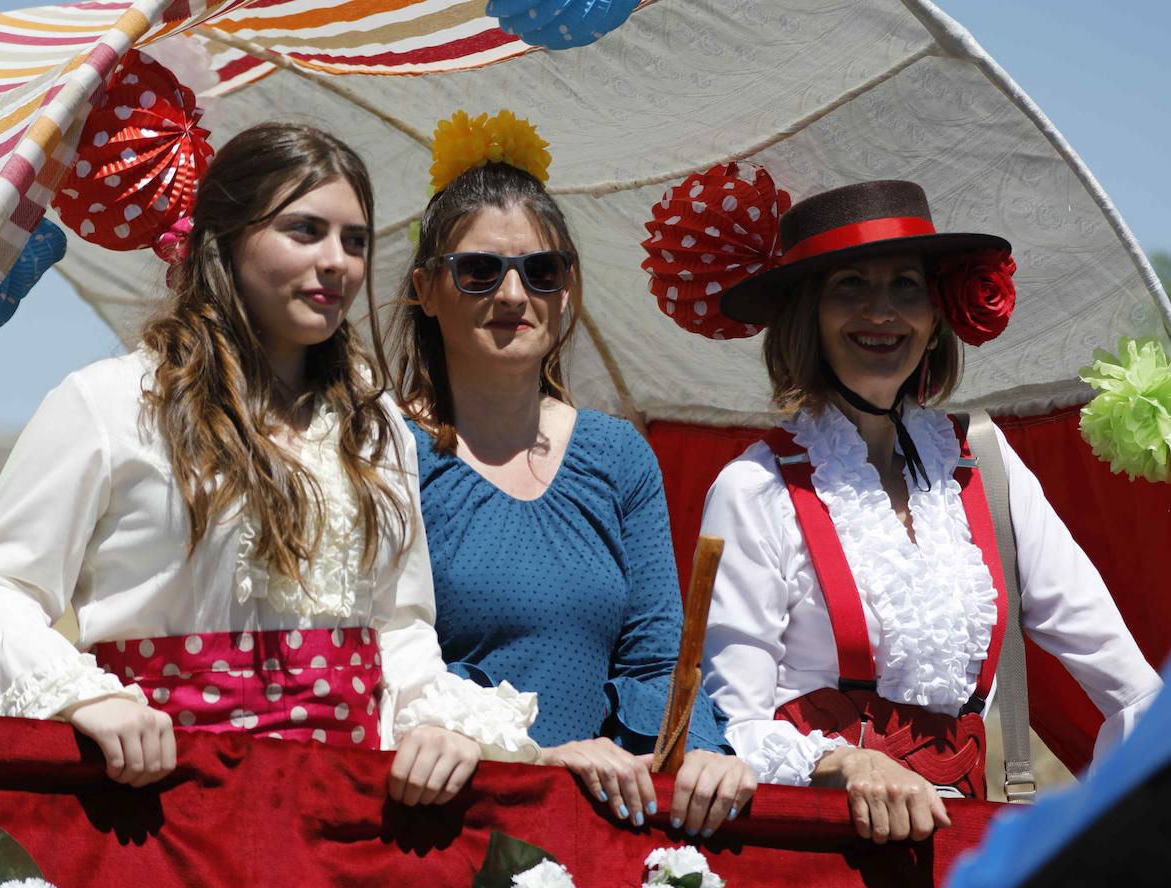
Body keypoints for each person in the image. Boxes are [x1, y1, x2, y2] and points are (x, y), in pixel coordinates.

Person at [0, 123, 538, 805]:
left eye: (355, 240)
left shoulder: (373, 426)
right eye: (304, 230)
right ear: (224, 240)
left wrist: (436, 724)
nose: (337, 261)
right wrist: (83, 698)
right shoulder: (111, 404)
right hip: (162, 801)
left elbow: (398, 626)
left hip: (340, 808)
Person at [698, 179, 1161, 843]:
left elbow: (1133, 690)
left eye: (906, 287)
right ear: (807, 316)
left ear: (936, 314)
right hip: (812, 859)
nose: (882, 312)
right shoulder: (755, 488)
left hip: (959, 855)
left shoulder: (985, 465)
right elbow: (729, 727)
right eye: (850, 285)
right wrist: (844, 761)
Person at [390, 120, 757, 838]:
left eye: (542, 271)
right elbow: (386, 659)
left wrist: (706, 754)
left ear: (566, 291)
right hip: (448, 824)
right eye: (478, 271)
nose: (512, 293)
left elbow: (656, 660)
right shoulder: (384, 450)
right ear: (427, 290)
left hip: (597, 832)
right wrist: (532, 756)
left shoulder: (618, 456)